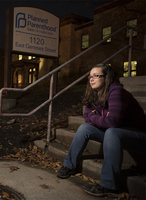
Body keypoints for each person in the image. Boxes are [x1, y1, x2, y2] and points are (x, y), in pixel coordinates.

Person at [56, 63, 146, 197]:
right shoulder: (94, 94)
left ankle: (109, 185)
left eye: (96, 76)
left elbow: (112, 122)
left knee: (111, 131)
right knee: (84, 128)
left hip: (138, 136)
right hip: (116, 134)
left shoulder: (117, 92)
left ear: (107, 78)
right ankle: (69, 165)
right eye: (90, 76)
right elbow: (87, 118)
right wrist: (97, 117)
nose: (91, 79)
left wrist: (95, 117)